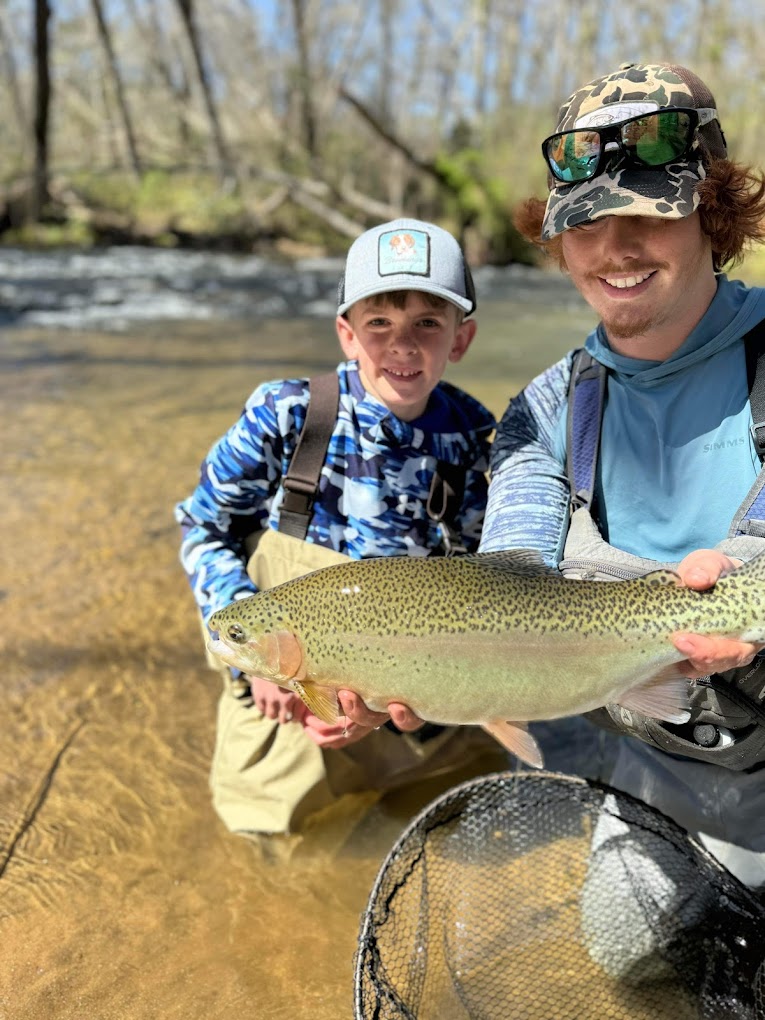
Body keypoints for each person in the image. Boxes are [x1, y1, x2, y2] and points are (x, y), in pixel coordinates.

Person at [345, 64, 765, 891]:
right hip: (667, 751)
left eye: (647, 210)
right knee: (625, 957)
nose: (612, 248)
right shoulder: (537, 416)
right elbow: (514, 579)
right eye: (585, 222)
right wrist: (412, 667)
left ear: (711, 213)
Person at [175, 217, 506, 837]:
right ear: (347, 334)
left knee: (460, 816)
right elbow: (204, 527)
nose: (402, 346)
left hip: (412, 684)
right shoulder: (290, 415)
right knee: (270, 844)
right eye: (379, 323)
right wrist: (258, 663)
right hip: (284, 687)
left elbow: (482, 579)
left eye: (427, 324)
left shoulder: (477, 439)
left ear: (461, 340)